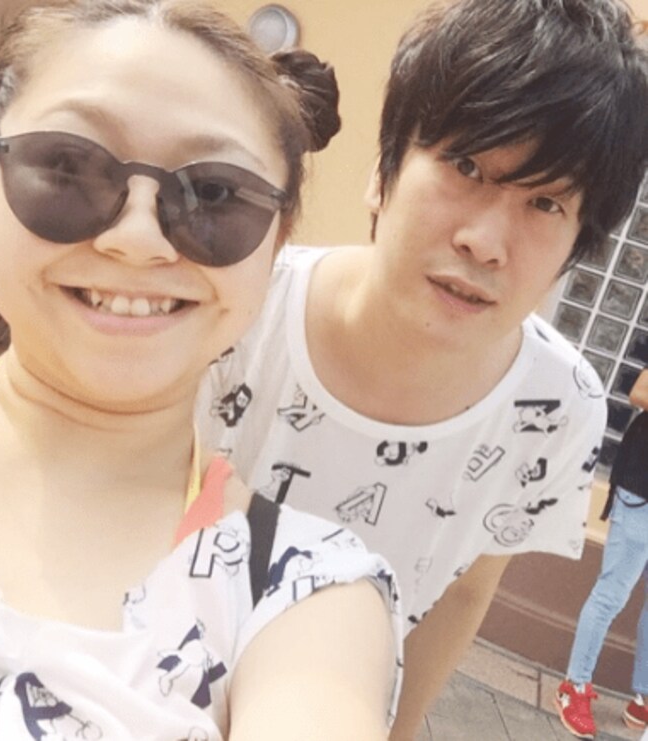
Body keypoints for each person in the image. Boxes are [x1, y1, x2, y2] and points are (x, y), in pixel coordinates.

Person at [0, 1, 403, 738]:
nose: (138, 238)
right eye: (68, 166)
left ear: (275, 246)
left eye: (214, 194)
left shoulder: (299, 594)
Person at [196, 0, 648, 737]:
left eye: (545, 202)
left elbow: (466, 592)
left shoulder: (559, 407)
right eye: (466, 166)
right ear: (383, 173)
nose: (486, 242)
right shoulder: (236, 309)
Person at [556, 368, 648, 740]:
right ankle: (573, 687)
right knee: (611, 595)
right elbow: (639, 392)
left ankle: (642, 699)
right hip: (641, 490)